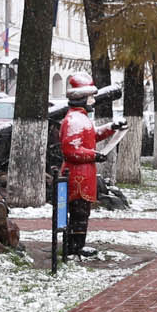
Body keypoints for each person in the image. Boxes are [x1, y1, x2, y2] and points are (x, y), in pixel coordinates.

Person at [58, 72, 116, 257]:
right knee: (78, 212)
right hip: (78, 175)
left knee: (82, 211)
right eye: (90, 96)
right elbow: (71, 150)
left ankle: (76, 245)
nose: (93, 100)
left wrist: (111, 128)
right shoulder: (74, 120)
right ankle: (74, 246)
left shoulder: (80, 118)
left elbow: (92, 136)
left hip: (83, 174)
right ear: (81, 97)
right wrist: (94, 155)